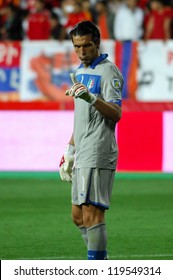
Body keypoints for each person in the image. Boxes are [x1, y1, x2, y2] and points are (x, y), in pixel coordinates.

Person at [59, 20, 123, 260]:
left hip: (99, 149)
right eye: (77, 47)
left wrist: (91, 98)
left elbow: (116, 114)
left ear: (96, 43)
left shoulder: (108, 71)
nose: (81, 52)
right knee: (78, 216)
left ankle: (97, 269)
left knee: (93, 214)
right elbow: (82, 117)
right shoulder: (80, 72)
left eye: (86, 46)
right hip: (83, 149)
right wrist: (70, 150)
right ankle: (102, 263)